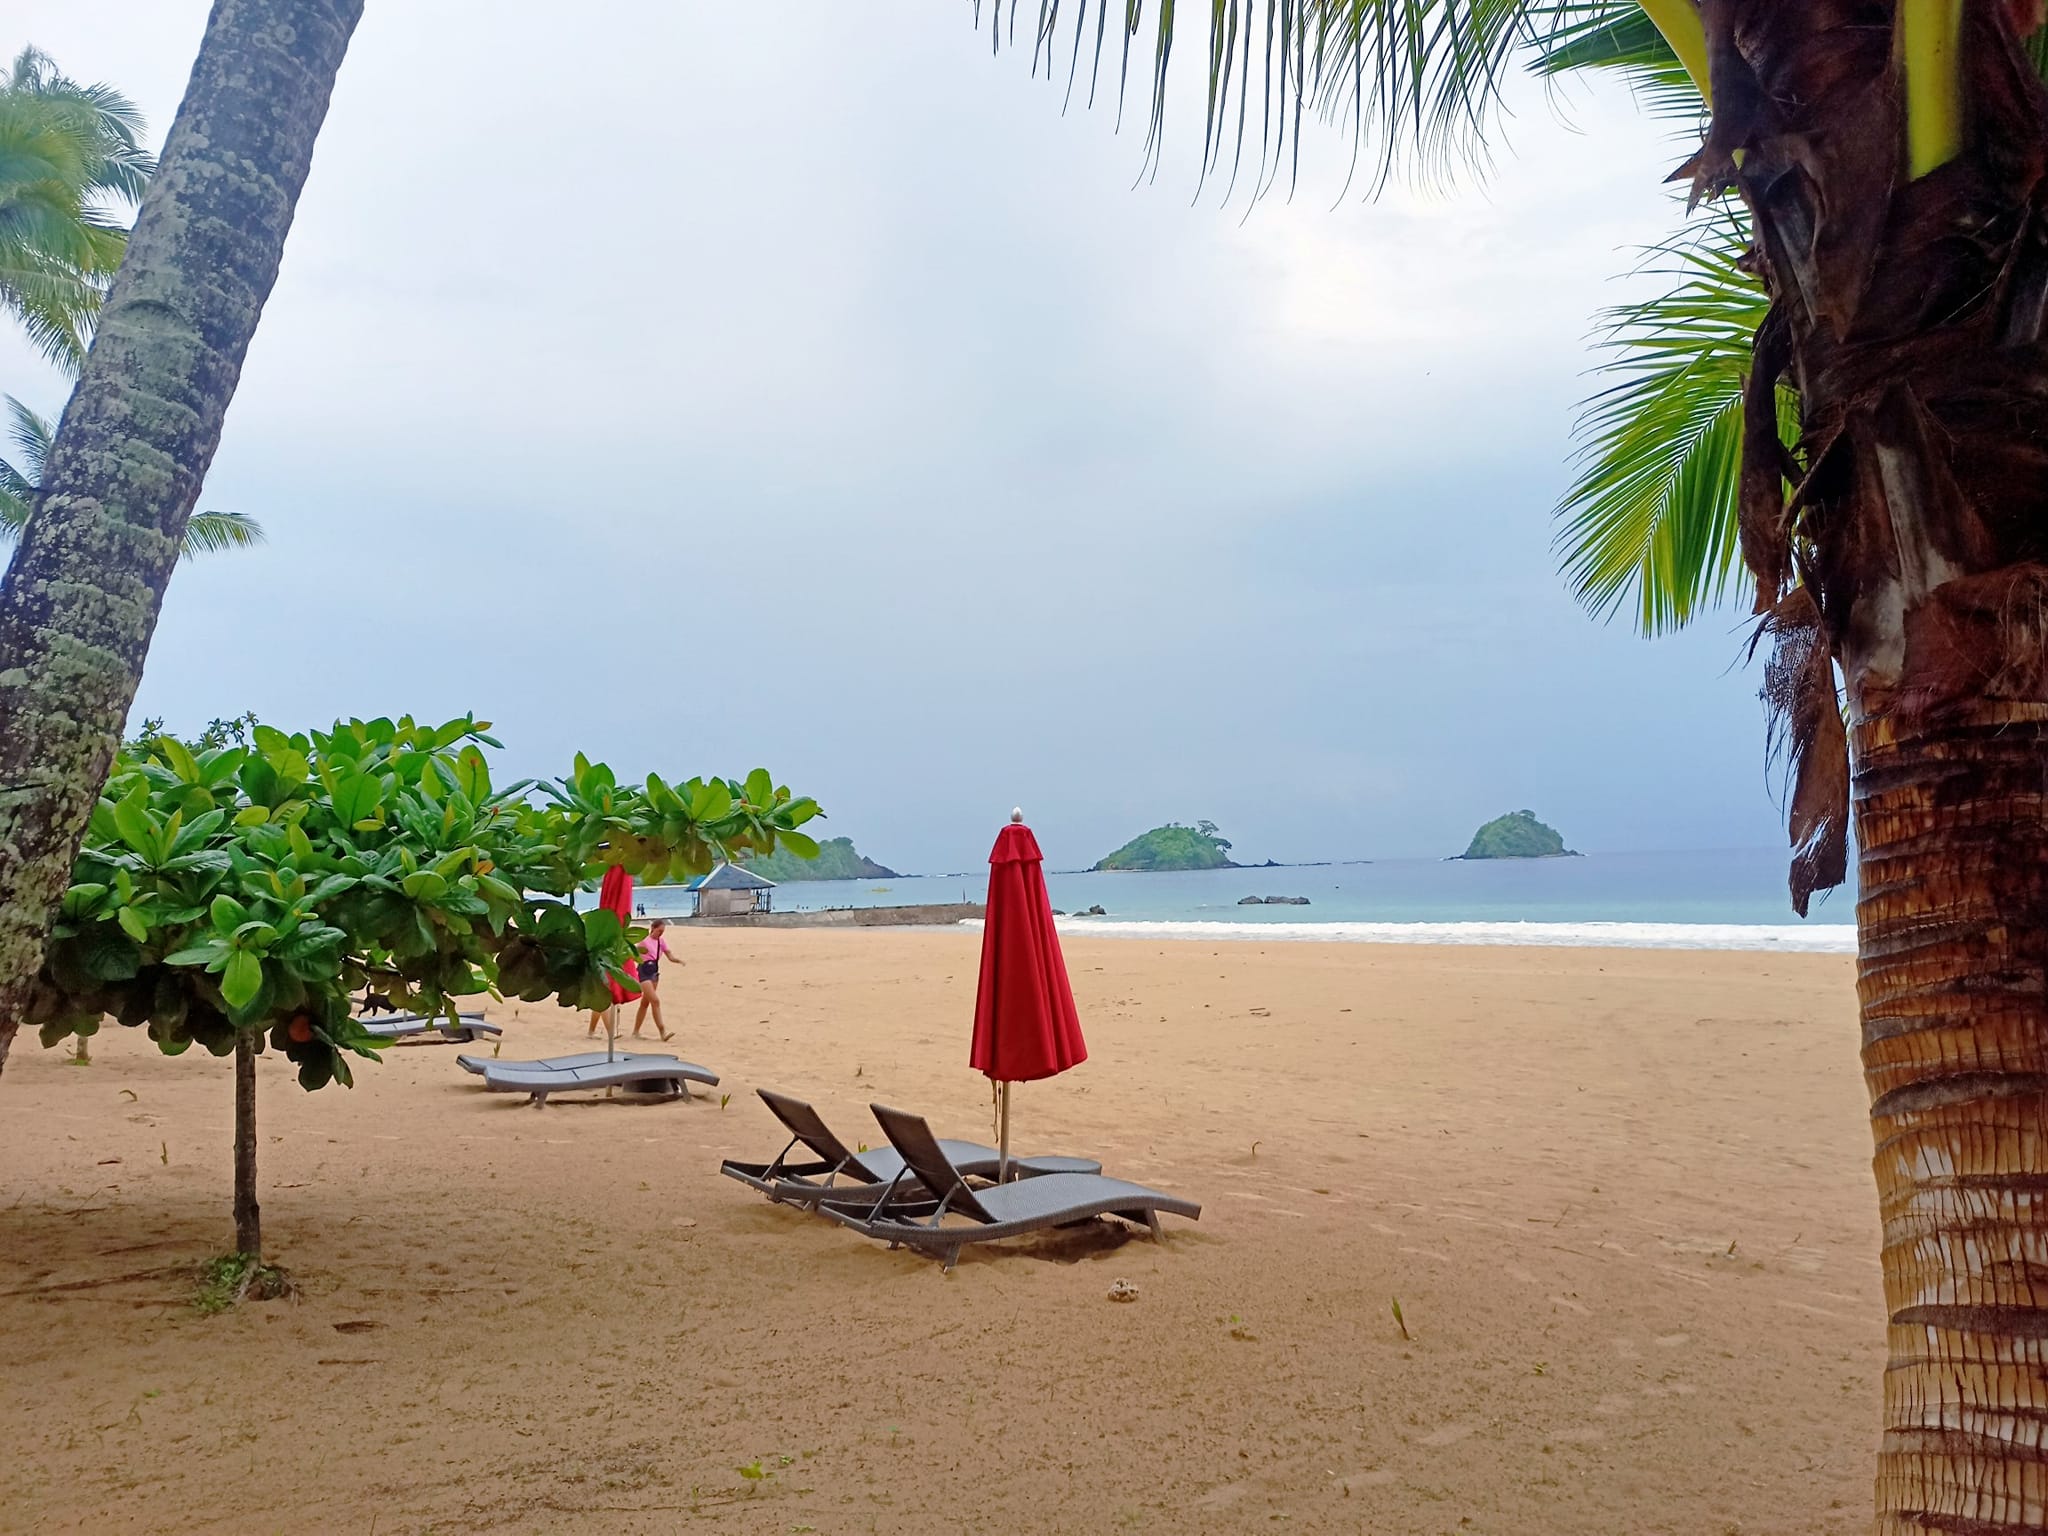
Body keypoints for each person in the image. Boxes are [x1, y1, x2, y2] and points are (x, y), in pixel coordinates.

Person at [630, 919, 681, 1041]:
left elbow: (669, 955)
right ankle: (662, 1031)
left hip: (654, 972)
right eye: (659, 931)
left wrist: (677, 960)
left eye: (662, 931)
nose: (661, 933)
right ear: (653, 928)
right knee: (655, 1001)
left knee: (645, 1003)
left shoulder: (661, 941)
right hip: (643, 973)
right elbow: (633, 953)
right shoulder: (644, 941)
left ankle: (636, 1031)